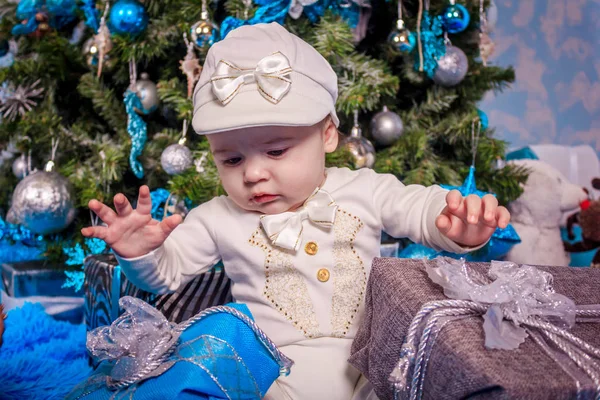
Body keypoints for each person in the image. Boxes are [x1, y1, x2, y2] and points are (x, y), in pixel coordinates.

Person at [82, 22, 510, 400]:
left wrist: (455, 223)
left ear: (327, 135)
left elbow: (417, 207)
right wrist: (139, 253)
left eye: (276, 150)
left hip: (374, 362)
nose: (253, 174)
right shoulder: (217, 217)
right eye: (231, 160)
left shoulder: (363, 189)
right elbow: (166, 274)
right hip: (275, 373)